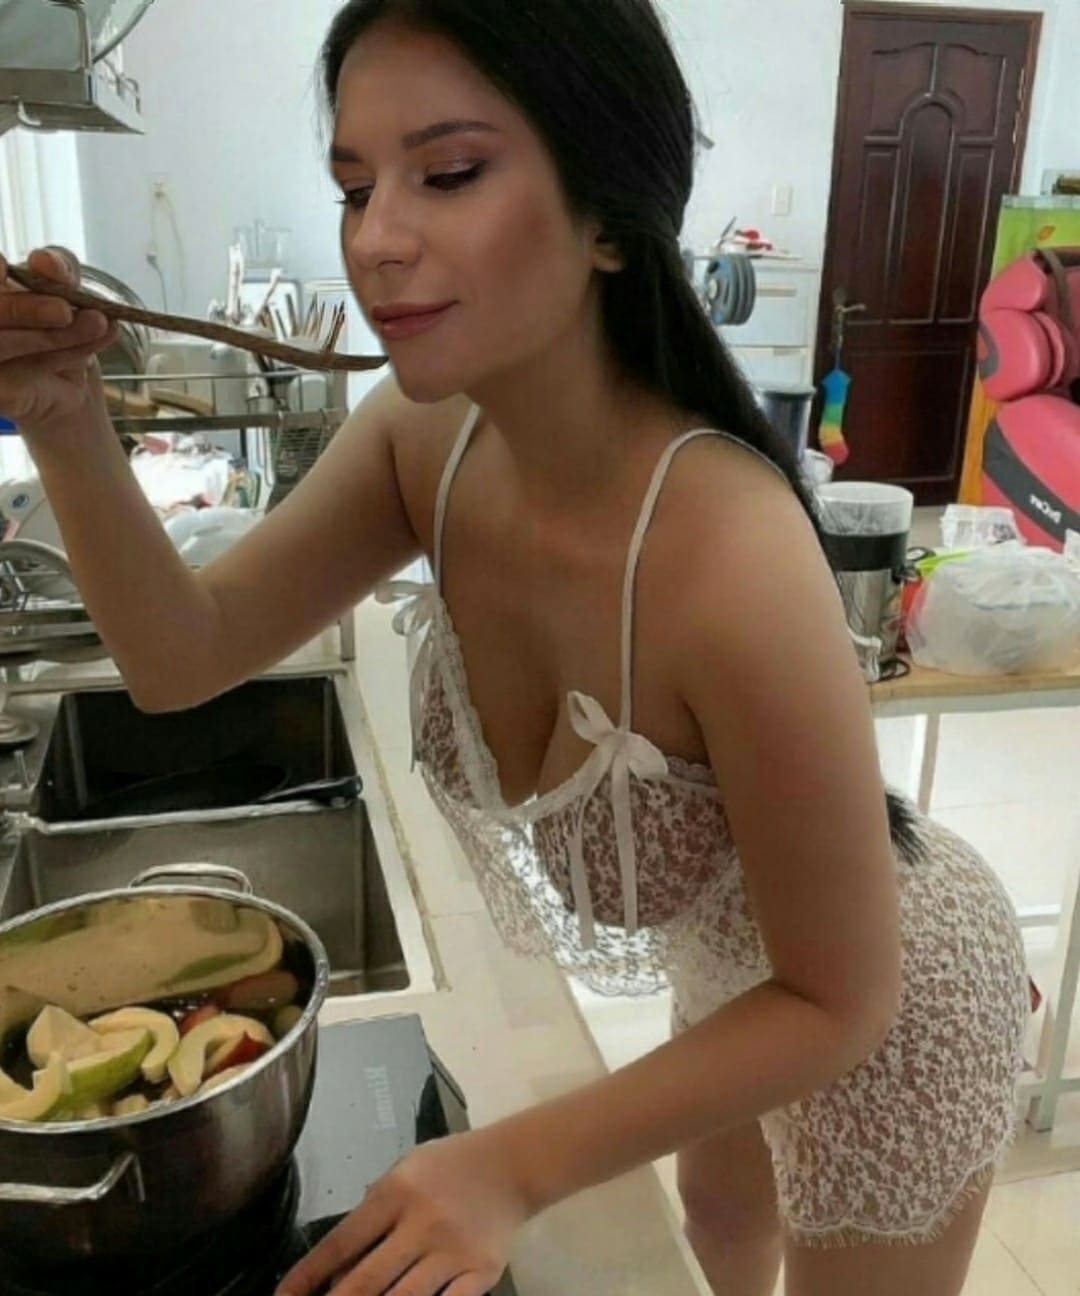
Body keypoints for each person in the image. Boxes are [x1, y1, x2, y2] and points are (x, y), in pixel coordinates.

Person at [0, 2, 1029, 1294]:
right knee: (718, 1235)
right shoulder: (425, 440)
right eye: (356, 186)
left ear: (609, 218)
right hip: (733, 970)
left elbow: (837, 1001)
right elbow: (181, 658)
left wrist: (509, 1167)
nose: (376, 239)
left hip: (891, 996)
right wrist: (63, 415)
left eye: (449, 173)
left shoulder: (725, 551)